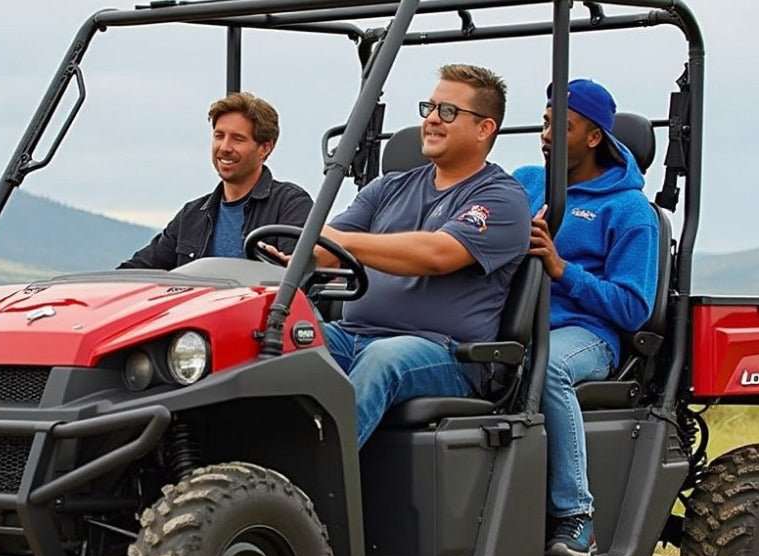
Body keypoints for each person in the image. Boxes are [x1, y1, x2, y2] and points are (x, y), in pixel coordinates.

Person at [273, 64, 530, 449]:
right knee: (280, 340)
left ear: (484, 128)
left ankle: (306, 486)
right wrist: (298, 253)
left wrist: (344, 243)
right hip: (354, 335)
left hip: (447, 353)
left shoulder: (502, 198)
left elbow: (437, 254)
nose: (431, 120)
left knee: (383, 360)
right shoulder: (389, 187)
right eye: (429, 108)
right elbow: (328, 250)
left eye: (447, 112)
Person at [512, 79, 658, 556]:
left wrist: (562, 270)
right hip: (515, 325)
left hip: (588, 336)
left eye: (563, 126)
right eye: (547, 121)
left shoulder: (629, 209)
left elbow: (633, 308)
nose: (547, 134)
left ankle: (577, 516)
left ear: (594, 137)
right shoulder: (527, 182)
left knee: (547, 367)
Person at [120, 92, 312, 270]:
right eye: (219, 136)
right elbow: (139, 269)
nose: (225, 147)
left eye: (237, 139)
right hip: (198, 307)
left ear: (265, 148)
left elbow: (296, 277)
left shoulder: (290, 204)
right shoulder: (192, 215)